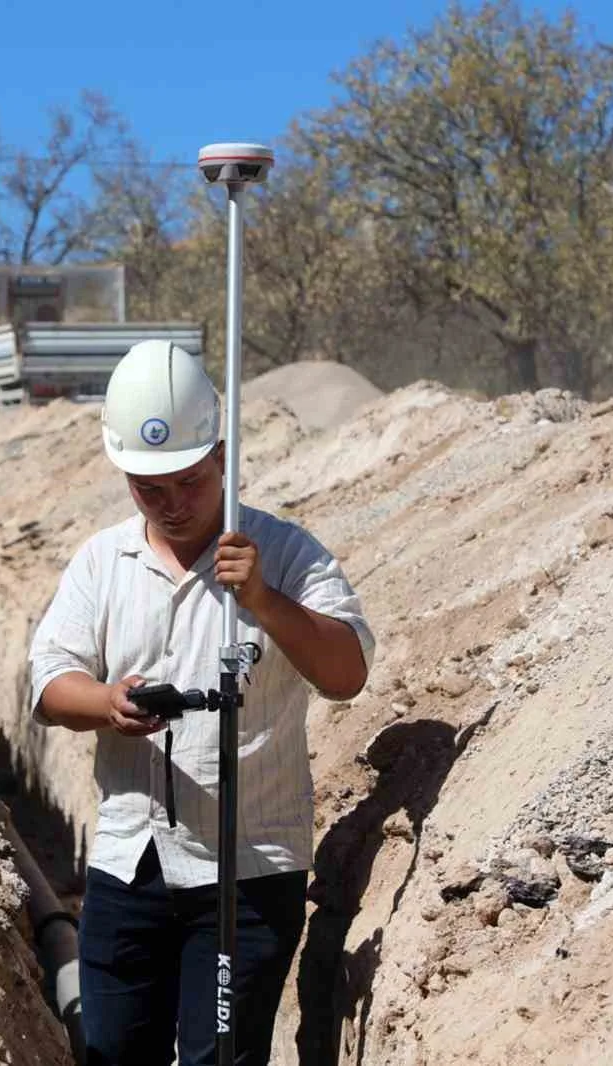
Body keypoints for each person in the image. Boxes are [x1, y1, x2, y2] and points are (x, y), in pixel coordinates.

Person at [27, 340, 376, 1065]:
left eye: (189, 481)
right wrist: (105, 702)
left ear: (222, 454)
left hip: (246, 872)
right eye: (150, 489)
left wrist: (263, 600)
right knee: (115, 1051)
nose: (173, 505)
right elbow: (49, 681)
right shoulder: (102, 562)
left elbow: (346, 673)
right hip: (131, 865)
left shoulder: (283, 553)